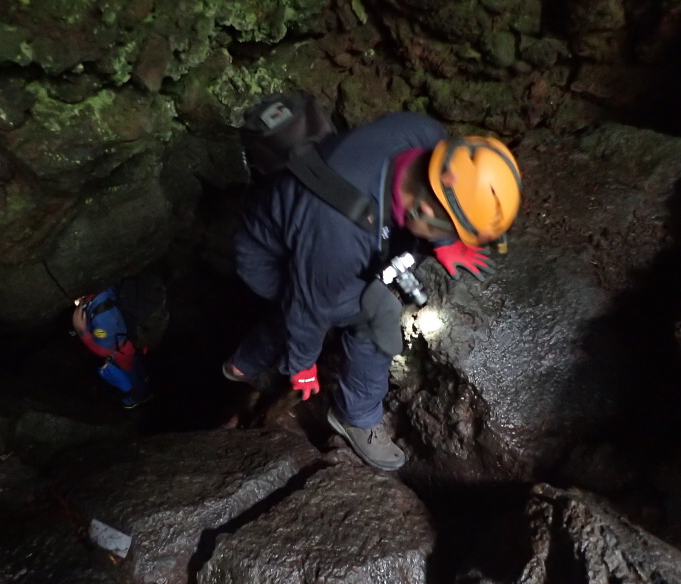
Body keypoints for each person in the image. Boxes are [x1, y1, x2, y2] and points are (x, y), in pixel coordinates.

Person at [223, 111, 521, 471]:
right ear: (426, 208)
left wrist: (444, 241)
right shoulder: (339, 235)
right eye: (451, 229)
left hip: (292, 224)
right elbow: (308, 305)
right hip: (269, 258)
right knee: (379, 314)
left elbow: (432, 200)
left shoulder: (426, 135)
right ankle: (355, 415)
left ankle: (244, 364)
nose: (453, 237)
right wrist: (302, 365)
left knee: (307, 297)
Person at [72, 290, 151, 409]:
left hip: (121, 352)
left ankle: (140, 396)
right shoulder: (103, 292)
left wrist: (82, 332)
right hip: (127, 337)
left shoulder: (101, 318)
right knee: (136, 364)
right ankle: (144, 379)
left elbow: (104, 350)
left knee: (130, 376)